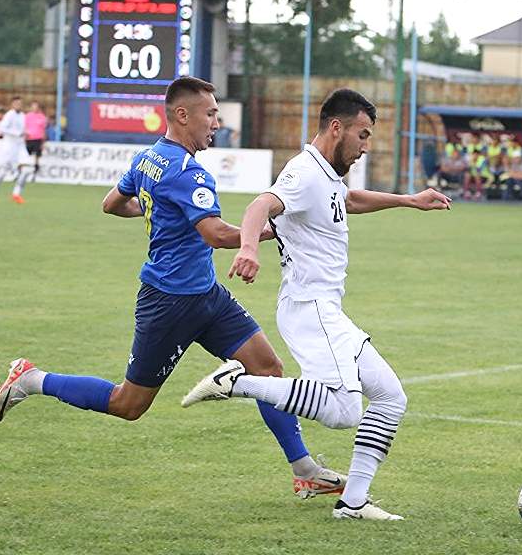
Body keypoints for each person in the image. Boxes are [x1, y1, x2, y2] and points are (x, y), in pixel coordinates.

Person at [0, 76, 348, 501]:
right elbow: (216, 234)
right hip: (169, 303)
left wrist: (158, 209)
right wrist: (266, 233)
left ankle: (305, 471)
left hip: (206, 296)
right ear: (182, 115)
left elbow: (112, 204)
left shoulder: (149, 158)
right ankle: (32, 379)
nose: (216, 123)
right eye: (210, 114)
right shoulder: (188, 172)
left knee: (267, 368)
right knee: (128, 404)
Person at [180, 88, 452, 521]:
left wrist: (408, 200)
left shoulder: (327, 174)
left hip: (326, 310)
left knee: (389, 397)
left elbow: (347, 200)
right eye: (363, 135)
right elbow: (260, 205)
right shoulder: (305, 172)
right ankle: (237, 382)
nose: (366, 146)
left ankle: (353, 502)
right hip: (309, 308)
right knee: (344, 411)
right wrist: (248, 248)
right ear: (337, 127)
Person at [0, 97, 33, 204]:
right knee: (3, 171)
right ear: (12, 105)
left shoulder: (22, 115)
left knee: (27, 170)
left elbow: (21, 129)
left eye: (20, 103)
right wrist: (17, 133)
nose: (18, 105)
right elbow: (2, 128)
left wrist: (25, 133)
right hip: (9, 146)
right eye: (16, 103)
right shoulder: (9, 115)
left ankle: (16, 194)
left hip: (20, 145)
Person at [25, 100, 49, 178]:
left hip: (38, 139)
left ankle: (35, 172)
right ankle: (24, 171)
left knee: (37, 156)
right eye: (33, 106)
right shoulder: (27, 116)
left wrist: (43, 142)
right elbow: (24, 127)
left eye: (36, 106)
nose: (34, 108)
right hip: (28, 139)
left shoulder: (42, 117)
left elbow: (44, 130)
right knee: (26, 155)